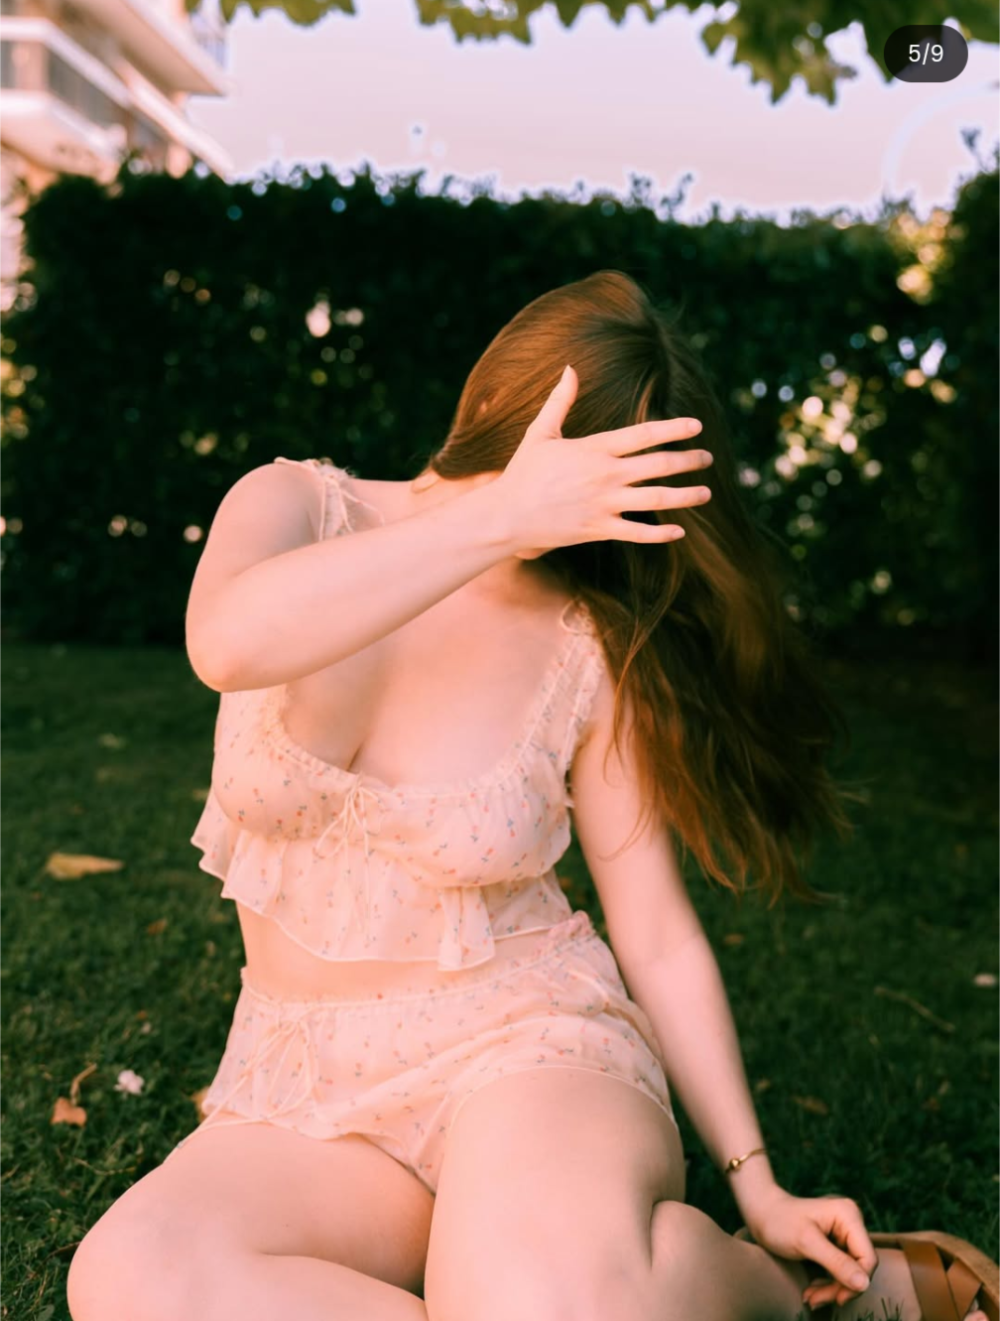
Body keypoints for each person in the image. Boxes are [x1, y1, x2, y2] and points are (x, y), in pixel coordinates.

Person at [67, 270, 995, 1321]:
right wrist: (496, 518)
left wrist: (757, 1180)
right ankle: (597, 1286)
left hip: (529, 1052)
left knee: (533, 1301)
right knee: (132, 1276)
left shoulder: (585, 644)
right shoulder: (293, 505)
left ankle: (787, 1290)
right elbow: (227, 642)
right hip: (310, 1083)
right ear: (502, 401)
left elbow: (655, 933)